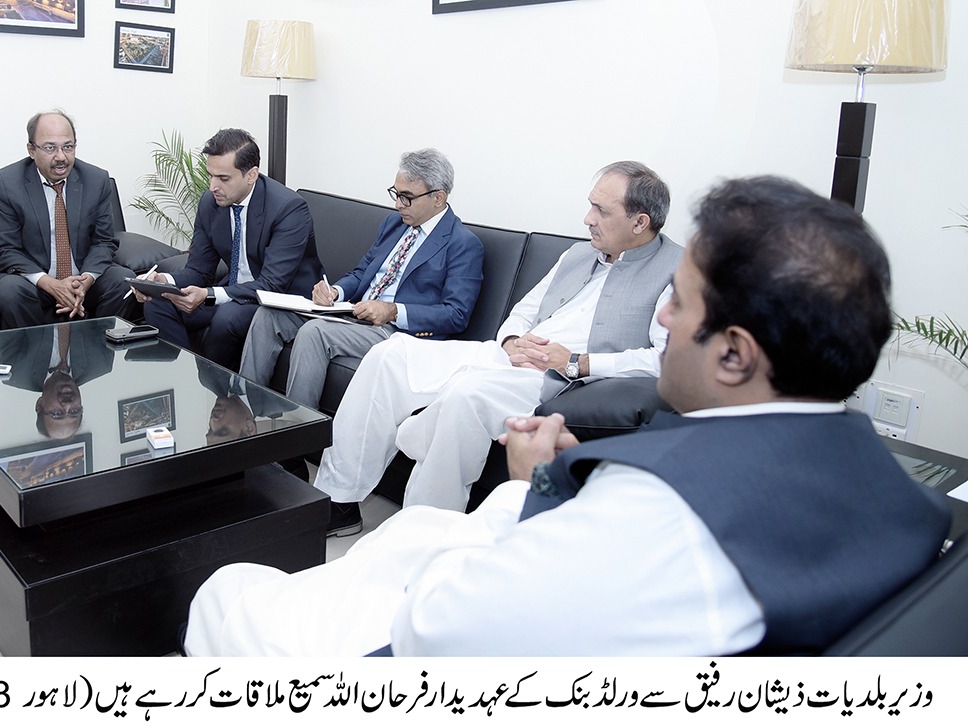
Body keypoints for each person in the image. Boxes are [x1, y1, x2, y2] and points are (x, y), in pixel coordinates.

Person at [183, 175, 951, 657]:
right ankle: (354, 497)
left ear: (733, 354)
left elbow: (439, 630)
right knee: (400, 539)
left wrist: (527, 494)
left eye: (681, 306)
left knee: (229, 591)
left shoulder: (659, 511)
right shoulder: (905, 496)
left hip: (429, 645)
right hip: (516, 425)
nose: (665, 320)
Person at [315, 161, 681, 534]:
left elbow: (666, 360)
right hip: (508, 355)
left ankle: (423, 532)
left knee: (466, 396)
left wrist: (577, 362)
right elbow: (523, 310)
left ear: (640, 222)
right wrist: (510, 341)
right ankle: (339, 499)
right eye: (590, 205)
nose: (588, 219)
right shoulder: (577, 254)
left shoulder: (676, 272)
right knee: (389, 355)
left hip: (555, 380)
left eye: (601, 211)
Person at [238, 148, 484, 413]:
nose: (398, 204)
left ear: (438, 197)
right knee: (268, 316)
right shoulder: (394, 224)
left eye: (407, 198)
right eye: (396, 194)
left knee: (315, 333)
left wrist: (393, 311)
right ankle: (244, 414)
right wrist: (335, 292)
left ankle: (299, 432)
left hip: (397, 334)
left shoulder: (462, 244)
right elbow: (362, 272)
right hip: (352, 314)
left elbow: (456, 314)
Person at [133, 128, 323, 370]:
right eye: (210, 176)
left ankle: (213, 382)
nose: (213, 186)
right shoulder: (210, 203)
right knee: (157, 303)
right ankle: (183, 375)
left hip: (280, 301)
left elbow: (272, 284)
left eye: (223, 178)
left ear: (251, 175)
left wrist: (209, 295)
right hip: (233, 292)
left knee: (228, 317)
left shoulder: (288, 209)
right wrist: (163, 281)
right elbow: (199, 270)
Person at [0, 109, 136, 328]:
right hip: (34, 281)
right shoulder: (8, 182)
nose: (61, 157)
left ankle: (98, 347)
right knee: (10, 291)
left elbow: (104, 241)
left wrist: (85, 280)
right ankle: (35, 350)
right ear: (31, 150)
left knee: (123, 281)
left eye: (68, 147)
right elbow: (5, 249)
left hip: (81, 278)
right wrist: (50, 284)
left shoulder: (96, 180)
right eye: (50, 148)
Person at [0, 325, 114, 439]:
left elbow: (9, 313)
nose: (67, 405)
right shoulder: (101, 362)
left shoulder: (14, 370)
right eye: (74, 411)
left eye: (57, 413)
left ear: (39, 405)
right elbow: (107, 311)